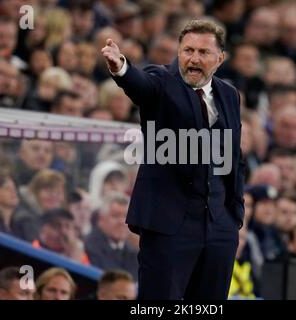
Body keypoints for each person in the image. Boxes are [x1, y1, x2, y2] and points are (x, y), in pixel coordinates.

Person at [102, 19, 245, 300]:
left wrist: (234, 212)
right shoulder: (163, 81)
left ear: (220, 58)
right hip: (169, 225)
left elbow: (234, 155)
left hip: (219, 226)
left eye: (203, 52)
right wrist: (121, 68)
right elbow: (141, 86)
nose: (193, 58)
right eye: (187, 50)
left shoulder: (229, 94)